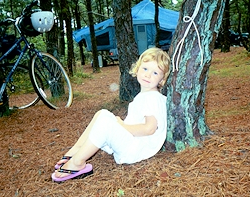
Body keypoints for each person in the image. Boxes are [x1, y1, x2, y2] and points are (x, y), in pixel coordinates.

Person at [51, 47, 171, 182]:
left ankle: (77, 162)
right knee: (102, 114)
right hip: (133, 144)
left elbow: (149, 129)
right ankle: (75, 150)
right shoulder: (146, 96)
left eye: (155, 73)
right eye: (145, 69)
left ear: (161, 80)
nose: (148, 75)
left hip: (135, 150)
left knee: (106, 123)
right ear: (137, 69)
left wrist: (121, 125)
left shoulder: (152, 98)